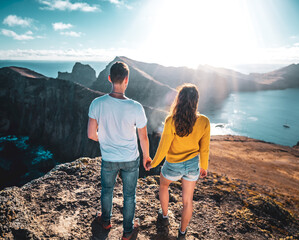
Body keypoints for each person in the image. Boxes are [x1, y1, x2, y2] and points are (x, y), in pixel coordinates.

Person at [87, 61, 152, 240]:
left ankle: (106, 221)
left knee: (107, 190)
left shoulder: (96, 103)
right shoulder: (136, 107)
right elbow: (143, 137)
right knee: (129, 195)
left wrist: (106, 138)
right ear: (126, 80)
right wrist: (147, 157)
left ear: (109, 78)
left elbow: (91, 134)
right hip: (131, 159)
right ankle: (127, 232)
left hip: (108, 158)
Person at [144, 83, 210, 240]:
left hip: (173, 165)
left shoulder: (171, 121)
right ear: (196, 101)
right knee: (187, 201)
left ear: (179, 100)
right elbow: (205, 148)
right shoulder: (204, 121)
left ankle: (165, 215)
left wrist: (153, 163)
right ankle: (182, 233)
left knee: (164, 185)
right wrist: (204, 167)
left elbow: (163, 148)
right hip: (193, 166)